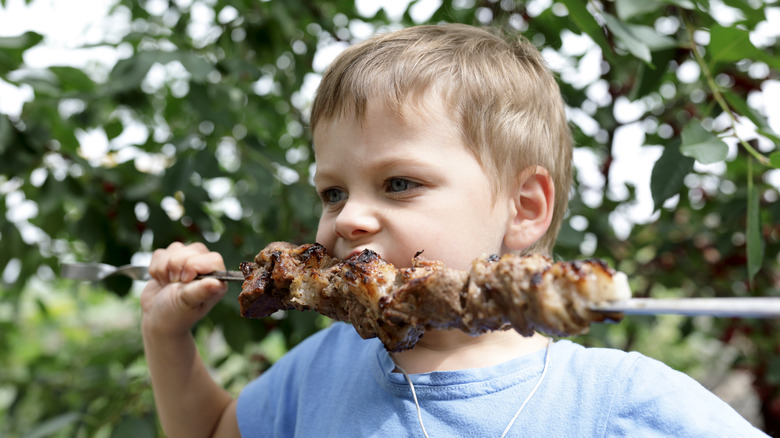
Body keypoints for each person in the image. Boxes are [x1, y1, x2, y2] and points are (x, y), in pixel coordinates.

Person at [140, 24, 768, 437]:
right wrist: (165, 334)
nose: (349, 217)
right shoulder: (322, 368)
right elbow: (213, 430)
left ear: (524, 208)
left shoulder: (620, 403)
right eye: (333, 192)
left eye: (399, 184)